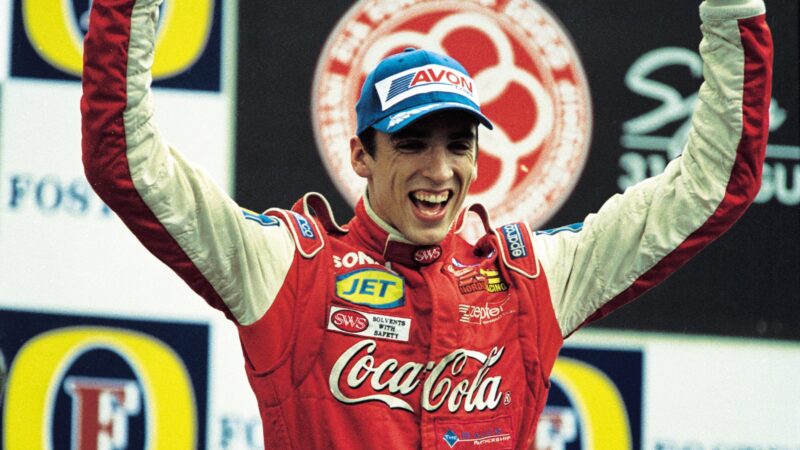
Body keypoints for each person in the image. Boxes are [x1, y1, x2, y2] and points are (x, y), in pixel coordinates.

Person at [81, 0, 772, 448]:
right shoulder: (289, 269)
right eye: (412, 144)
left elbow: (711, 188)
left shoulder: (529, 279)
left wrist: (733, 14)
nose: (439, 170)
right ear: (361, 153)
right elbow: (124, 160)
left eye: (458, 144)